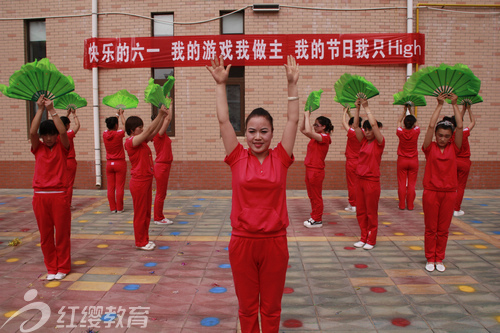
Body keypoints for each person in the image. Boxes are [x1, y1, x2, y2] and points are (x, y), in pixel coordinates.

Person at [206, 54, 299, 333]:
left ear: (272, 134)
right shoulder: (236, 157)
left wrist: (292, 85)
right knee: (247, 308)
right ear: (244, 133)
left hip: (274, 243)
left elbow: (293, 121)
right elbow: (224, 121)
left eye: (264, 131)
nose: (257, 137)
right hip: (243, 243)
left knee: (271, 308)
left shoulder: (281, 158)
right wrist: (221, 85)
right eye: (252, 131)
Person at [30, 95, 71, 281]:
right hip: (40, 196)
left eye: (51, 134)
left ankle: (63, 266)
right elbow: (32, 133)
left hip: (59, 195)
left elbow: (63, 133)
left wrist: (52, 110)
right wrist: (39, 109)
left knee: (62, 233)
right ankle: (51, 267)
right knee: (45, 235)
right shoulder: (37, 147)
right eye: (45, 135)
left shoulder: (63, 146)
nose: (48, 138)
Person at [422, 93, 463, 272]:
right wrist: (439, 105)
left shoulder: (455, 148)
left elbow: (460, 127)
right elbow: (431, 125)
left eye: (446, 136)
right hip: (431, 192)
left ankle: (440, 258)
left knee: (444, 229)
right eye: (440, 135)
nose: (442, 139)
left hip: (449, 193)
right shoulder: (428, 148)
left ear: (451, 137)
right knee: (431, 228)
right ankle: (430, 258)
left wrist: (455, 104)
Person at [124, 105, 168, 251]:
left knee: (146, 213)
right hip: (139, 181)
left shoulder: (141, 141)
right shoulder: (131, 142)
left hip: (146, 180)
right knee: (140, 213)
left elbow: (153, 132)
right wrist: (159, 114)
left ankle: (145, 239)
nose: (142, 130)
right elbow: (149, 130)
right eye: (139, 128)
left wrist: (162, 116)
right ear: (132, 130)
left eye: (142, 127)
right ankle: (140, 241)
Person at [352, 98, 385, 250]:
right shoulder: (363, 141)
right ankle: (363, 237)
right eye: (366, 130)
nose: (368, 132)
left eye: (370, 129)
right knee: (361, 210)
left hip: (372, 181)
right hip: (360, 180)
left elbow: (373, 124)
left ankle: (371, 239)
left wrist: (367, 107)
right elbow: (355, 126)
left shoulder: (379, 142)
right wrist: (357, 108)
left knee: (371, 213)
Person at [300, 111, 333, 228]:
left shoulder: (324, 137)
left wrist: (308, 116)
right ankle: (314, 216)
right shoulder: (315, 138)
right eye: (313, 124)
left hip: (316, 171)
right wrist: (305, 117)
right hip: (309, 169)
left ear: (323, 127)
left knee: (316, 196)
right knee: (311, 195)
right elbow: (302, 129)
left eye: (316, 125)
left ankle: (317, 219)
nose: (314, 127)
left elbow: (308, 131)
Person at [152, 107, 174, 225]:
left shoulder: (161, 134)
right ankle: (158, 217)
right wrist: (169, 103)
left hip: (164, 166)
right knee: (161, 193)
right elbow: (168, 118)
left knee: (161, 193)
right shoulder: (158, 134)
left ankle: (159, 216)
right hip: (162, 166)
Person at [396, 105, 420, 210]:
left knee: (402, 183)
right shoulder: (416, 131)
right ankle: (410, 205)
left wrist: (404, 111)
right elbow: (416, 123)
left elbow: (398, 121)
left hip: (402, 160)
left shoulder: (400, 132)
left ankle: (401, 205)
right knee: (412, 184)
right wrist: (411, 110)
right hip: (413, 160)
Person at [453, 103, 476, 216]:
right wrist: (469, 110)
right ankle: (456, 209)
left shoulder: (451, 134)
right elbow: (473, 122)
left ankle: (449, 206)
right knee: (461, 186)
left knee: (452, 185)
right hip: (464, 161)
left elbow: (458, 121)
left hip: (453, 161)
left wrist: (462, 110)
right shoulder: (464, 132)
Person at [103, 108, 127, 213]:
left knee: (110, 187)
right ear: (116, 125)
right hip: (119, 163)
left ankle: (112, 208)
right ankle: (120, 208)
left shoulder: (104, 134)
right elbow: (124, 125)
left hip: (109, 163)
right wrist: (121, 115)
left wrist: (116, 114)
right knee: (119, 186)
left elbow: (114, 125)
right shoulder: (118, 134)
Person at [341, 108, 362, 213]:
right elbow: (354, 124)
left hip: (351, 161)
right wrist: (350, 113)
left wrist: (344, 111)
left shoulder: (352, 132)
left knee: (351, 184)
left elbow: (343, 122)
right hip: (360, 162)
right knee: (358, 184)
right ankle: (355, 203)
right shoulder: (362, 133)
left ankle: (353, 204)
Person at [60, 108, 80, 209]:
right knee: (69, 184)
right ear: (67, 125)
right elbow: (77, 126)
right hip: (70, 161)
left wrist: (66, 115)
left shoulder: (57, 136)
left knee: (61, 183)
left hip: (60, 161)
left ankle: (61, 202)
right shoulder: (69, 134)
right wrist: (74, 114)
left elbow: (60, 126)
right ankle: (67, 204)